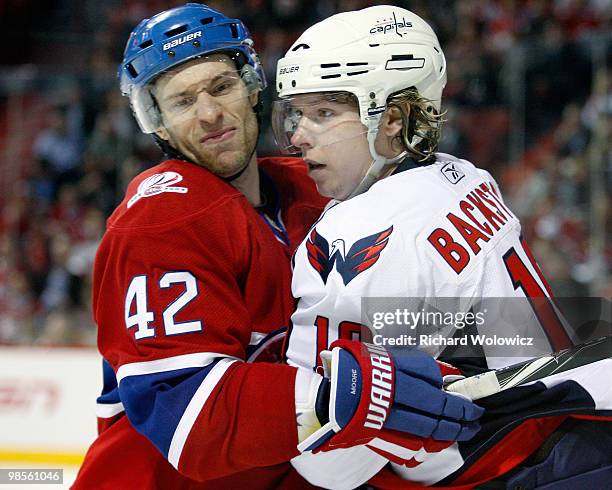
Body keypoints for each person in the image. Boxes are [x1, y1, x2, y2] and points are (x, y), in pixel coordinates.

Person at [73, 4, 483, 489]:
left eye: (221, 87)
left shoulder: (312, 185)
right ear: (157, 123)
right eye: (182, 102)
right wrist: (339, 397)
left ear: (252, 87)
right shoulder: (160, 221)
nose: (208, 114)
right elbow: (190, 419)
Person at [273, 5, 612, 489]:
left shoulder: (357, 235)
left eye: (323, 113)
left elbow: (326, 460)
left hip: (502, 469)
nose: (297, 137)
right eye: (297, 114)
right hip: (571, 436)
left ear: (392, 120)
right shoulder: (465, 175)